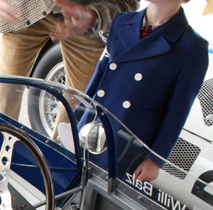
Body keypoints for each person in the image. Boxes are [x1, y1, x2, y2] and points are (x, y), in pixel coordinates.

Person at [84, 0, 209, 181]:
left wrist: (156, 159)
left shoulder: (193, 46)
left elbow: (178, 111)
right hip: (93, 122)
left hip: (128, 138)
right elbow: (102, 73)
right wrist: (80, 112)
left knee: (97, 197)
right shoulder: (122, 20)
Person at [0, 0, 139, 121]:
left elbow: (129, 3)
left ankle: (61, 161)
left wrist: (96, 16)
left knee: (76, 110)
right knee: (6, 95)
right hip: (23, 10)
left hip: (85, 19)